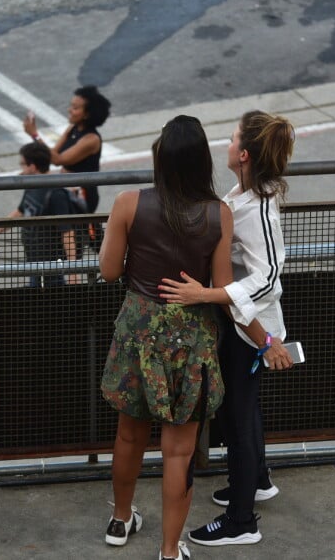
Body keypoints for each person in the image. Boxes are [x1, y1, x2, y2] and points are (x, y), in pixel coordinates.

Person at [99, 115, 236, 560]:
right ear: (202, 162)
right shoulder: (219, 214)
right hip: (191, 336)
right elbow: (223, 288)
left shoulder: (127, 203)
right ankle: (170, 550)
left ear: (160, 157)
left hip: (138, 331)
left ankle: (120, 520)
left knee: (129, 436)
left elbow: (108, 270)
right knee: (178, 452)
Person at [158, 110, 296, 547]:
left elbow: (270, 276)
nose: (226, 143)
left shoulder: (258, 208)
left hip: (250, 329)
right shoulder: (245, 193)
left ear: (244, 154)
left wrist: (206, 296)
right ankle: (255, 482)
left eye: (232, 138)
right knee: (243, 412)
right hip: (242, 323)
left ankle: (242, 521)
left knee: (239, 421)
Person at [0, 142, 78, 287]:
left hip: (51, 269)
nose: (21, 169)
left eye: (23, 164)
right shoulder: (33, 184)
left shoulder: (56, 193)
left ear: (32, 166)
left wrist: (73, 272)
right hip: (34, 263)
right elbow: (19, 212)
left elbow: (67, 233)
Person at [23, 84, 111, 213]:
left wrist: (35, 135)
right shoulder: (73, 128)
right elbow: (53, 153)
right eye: (71, 105)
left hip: (81, 196)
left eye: (75, 108)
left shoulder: (91, 139)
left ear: (87, 114)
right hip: (66, 189)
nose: (69, 110)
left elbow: (58, 160)